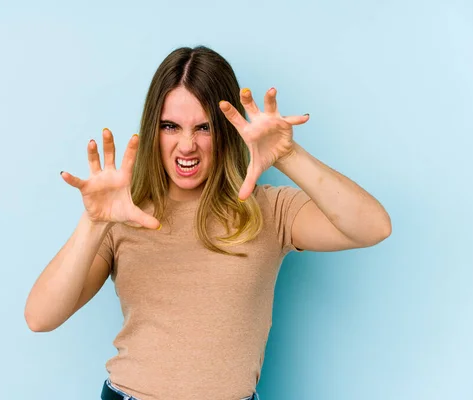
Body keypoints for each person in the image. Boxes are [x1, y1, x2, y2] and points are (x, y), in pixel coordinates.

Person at [24, 46, 392, 400]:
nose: (187, 145)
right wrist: (93, 222)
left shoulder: (269, 209)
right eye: (171, 126)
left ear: (228, 130)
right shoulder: (124, 216)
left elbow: (373, 226)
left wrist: (288, 155)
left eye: (204, 128)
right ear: (154, 129)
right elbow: (40, 317)